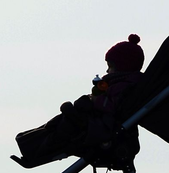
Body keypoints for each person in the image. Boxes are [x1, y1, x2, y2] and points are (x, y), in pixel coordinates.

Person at [15, 35, 144, 164]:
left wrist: (95, 100)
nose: (107, 70)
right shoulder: (123, 84)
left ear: (122, 67)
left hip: (104, 128)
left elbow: (110, 106)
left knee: (66, 126)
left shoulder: (124, 86)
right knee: (62, 121)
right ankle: (31, 145)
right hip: (102, 125)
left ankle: (34, 149)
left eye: (110, 66)